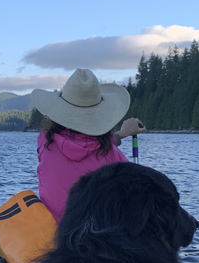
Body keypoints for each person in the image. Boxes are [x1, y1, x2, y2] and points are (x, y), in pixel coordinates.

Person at [31, 68, 145, 223]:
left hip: (53, 231)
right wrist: (122, 133)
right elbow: (136, 189)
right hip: (94, 236)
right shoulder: (111, 154)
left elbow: (81, 145)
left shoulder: (45, 141)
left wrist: (121, 135)